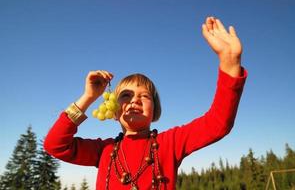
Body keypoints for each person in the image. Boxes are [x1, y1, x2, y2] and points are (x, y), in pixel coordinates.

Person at [44, 17, 247, 190]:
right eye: (125, 95)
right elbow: (55, 145)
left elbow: (217, 123)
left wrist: (229, 65)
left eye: (145, 96)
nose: (135, 100)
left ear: (154, 109)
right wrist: (88, 97)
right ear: (114, 111)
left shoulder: (170, 143)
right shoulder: (103, 150)